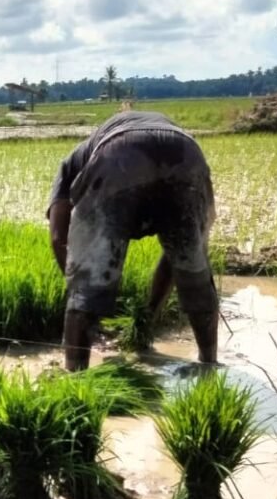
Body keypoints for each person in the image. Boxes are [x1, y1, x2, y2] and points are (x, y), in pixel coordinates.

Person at [48, 110, 219, 370]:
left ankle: (75, 378)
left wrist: (83, 289)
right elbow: (175, 257)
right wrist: (148, 316)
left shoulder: (70, 164)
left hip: (119, 155)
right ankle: (210, 366)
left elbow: (58, 237)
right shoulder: (84, 155)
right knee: (193, 266)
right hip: (186, 153)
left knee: (88, 286)